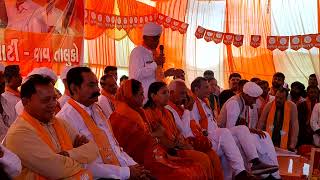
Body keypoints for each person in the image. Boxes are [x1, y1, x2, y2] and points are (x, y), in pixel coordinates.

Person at [56, 67, 151, 179]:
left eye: (97, 85)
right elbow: (81, 164)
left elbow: (114, 147)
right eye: (91, 85)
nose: (97, 90)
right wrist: (126, 172)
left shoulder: (97, 109)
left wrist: (134, 166)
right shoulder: (65, 118)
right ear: (75, 88)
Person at [109, 79, 209, 180]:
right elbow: (144, 142)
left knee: (203, 161)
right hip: (145, 159)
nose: (143, 97)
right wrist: (161, 137)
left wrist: (177, 140)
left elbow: (173, 133)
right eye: (140, 94)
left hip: (164, 151)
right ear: (131, 96)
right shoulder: (128, 116)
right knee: (196, 166)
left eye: (168, 92)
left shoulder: (156, 112)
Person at [5, 74, 98, 179]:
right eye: (45, 100)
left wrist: (68, 154)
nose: (53, 104)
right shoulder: (19, 133)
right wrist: (83, 161)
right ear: (25, 101)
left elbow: (93, 149)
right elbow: (57, 169)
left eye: (54, 98)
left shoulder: (59, 122)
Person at [190, 77, 277, 179]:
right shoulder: (193, 104)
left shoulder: (205, 102)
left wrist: (250, 129)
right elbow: (196, 127)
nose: (209, 89)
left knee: (243, 129)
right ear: (196, 90)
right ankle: (242, 172)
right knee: (228, 132)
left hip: (219, 135)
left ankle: (255, 163)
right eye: (206, 87)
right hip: (210, 138)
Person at [144, 81, 217, 179]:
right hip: (167, 151)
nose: (167, 95)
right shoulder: (149, 113)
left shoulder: (167, 112)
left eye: (168, 92)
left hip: (178, 145)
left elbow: (178, 132)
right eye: (164, 93)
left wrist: (181, 141)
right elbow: (161, 138)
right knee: (203, 159)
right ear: (153, 96)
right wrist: (179, 144)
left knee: (211, 154)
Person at [218, 81, 280, 179]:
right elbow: (229, 129)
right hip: (224, 137)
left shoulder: (243, 102)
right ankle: (257, 167)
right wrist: (248, 130)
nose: (255, 102)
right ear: (246, 95)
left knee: (264, 136)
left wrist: (251, 130)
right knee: (252, 137)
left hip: (235, 134)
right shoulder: (234, 103)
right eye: (254, 99)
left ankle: (272, 173)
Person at [166, 79, 224, 180]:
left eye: (185, 93)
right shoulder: (170, 109)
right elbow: (184, 131)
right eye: (182, 93)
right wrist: (188, 110)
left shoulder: (181, 106)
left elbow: (193, 125)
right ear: (171, 93)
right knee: (204, 158)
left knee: (212, 154)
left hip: (192, 140)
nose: (184, 97)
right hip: (180, 146)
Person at [129, 22, 175, 101]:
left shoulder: (153, 53)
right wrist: (155, 64)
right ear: (145, 38)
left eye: (158, 38)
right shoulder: (138, 52)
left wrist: (166, 74)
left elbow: (152, 77)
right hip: (143, 99)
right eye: (154, 38)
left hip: (154, 98)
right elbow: (136, 75)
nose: (157, 41)